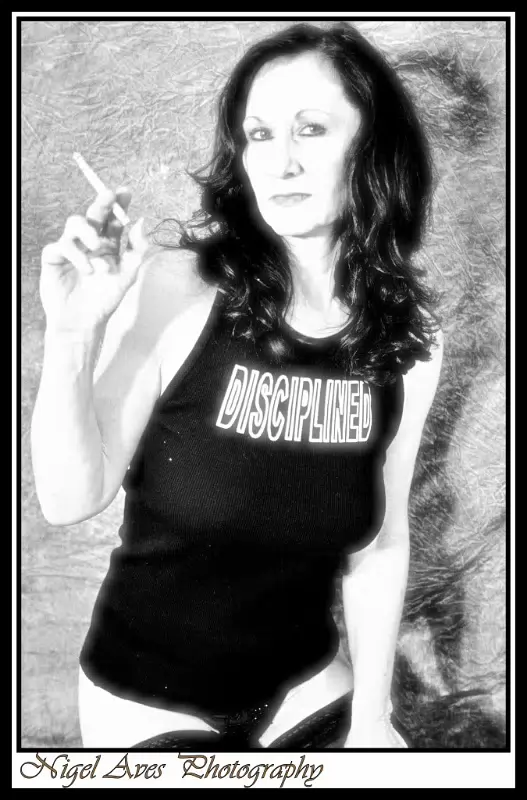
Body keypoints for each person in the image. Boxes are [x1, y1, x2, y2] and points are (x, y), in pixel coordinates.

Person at [31, 22, 443, 750]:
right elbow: (69, 500)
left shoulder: (408, 341)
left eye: (311, 129)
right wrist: (72, 331)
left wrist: (373, 721)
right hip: (152, 698)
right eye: (258, 135)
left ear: (371, 148)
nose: (281, 162)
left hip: (301, 681)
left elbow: (380, 543)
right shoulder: (179, 290)